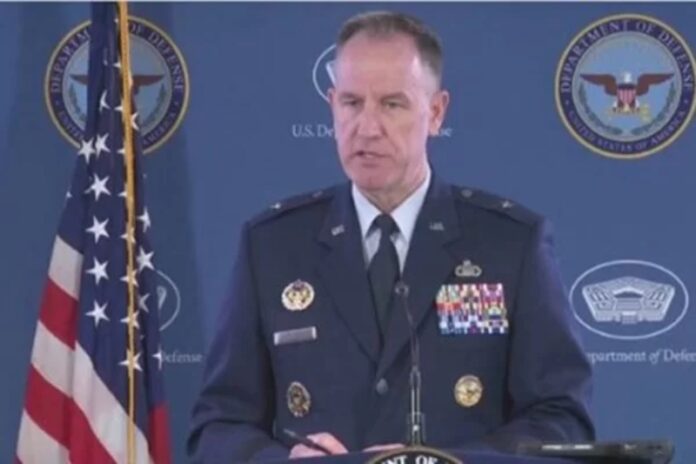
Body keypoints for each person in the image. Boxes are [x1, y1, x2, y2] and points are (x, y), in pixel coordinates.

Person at [188, 11, 594, 463]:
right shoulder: (273, 246)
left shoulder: (510, 244)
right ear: (331, 105)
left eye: (392, 104)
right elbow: (219, 425)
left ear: (435, 112)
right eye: (351, 103)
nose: (367, 127)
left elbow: (561, 419)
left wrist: (435, 462)